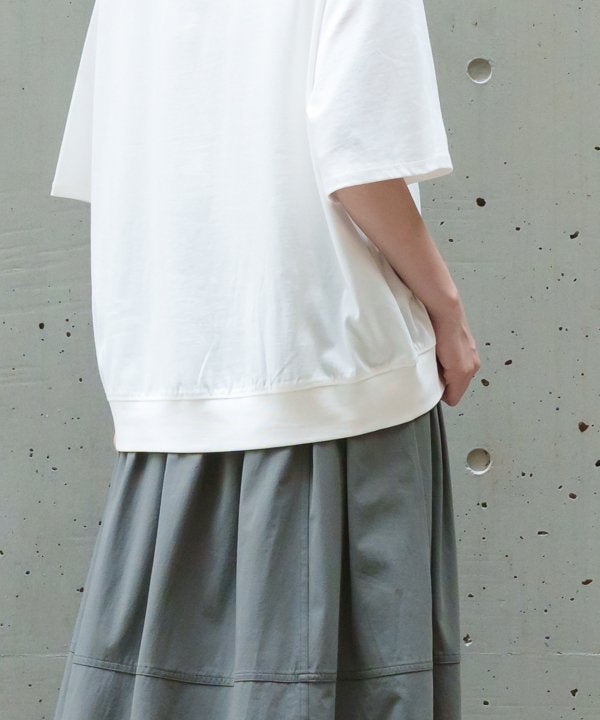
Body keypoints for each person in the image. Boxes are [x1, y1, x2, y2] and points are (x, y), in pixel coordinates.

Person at [49, 1, 480, 719]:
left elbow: (126, 157)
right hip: (336, 383)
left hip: (173, 389)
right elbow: (362, 167)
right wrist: (449, 311)